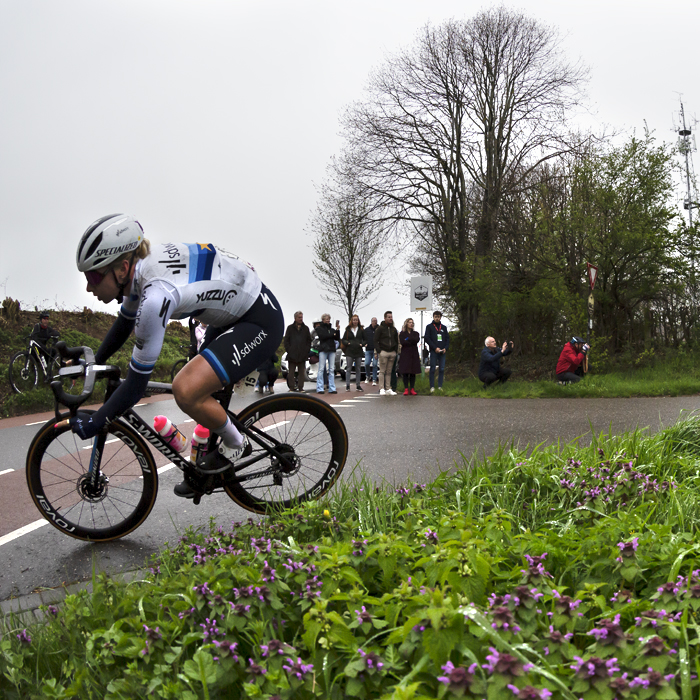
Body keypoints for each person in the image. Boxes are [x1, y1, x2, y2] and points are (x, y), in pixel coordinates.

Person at [71, 213, 284, 499]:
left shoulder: (155, 294)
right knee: (201, 384)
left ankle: (237, 444)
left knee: (187, 390)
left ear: (122, 268)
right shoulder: (139, 271)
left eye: (94, 276)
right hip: (230, 312)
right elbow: (124, 324)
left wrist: (98, 421)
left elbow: (135, 385)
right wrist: (95, 361)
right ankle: (207, 465)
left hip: (258, 320)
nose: (88, 286)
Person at [283, 311, 312, 392]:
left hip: (302, 354)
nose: (301, 319)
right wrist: (289, 350)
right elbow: (286, 341)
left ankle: (300, 387)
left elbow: (308, 341)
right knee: (291, 372)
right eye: (299, 317)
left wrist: (306, 350)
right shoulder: (290, 328)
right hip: (292, 354)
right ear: (295, 318)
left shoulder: (306, 328)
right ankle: (291, 387)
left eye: (302, 317)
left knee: (301, 373)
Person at [374, 310, 399, 396]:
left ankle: (388, 388)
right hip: (383, 351)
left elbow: (396, 340)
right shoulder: (380, 328)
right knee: (382, 371)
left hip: (392, 352)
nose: (390, 318)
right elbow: (375, 340)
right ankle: (381, 388)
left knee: (389, 371)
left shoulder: (394, 329)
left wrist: (395, 350)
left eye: (391, 317)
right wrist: (379, 351)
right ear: (385, 318)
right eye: (389, 317)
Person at [424, 311, 449, 393]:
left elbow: (447, 339)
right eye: (435, 316)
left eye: (438, 316)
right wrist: (435, 348)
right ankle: (432, 387)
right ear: (433, 317)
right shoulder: (429, 327)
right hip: (434, 351)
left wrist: (445, 348)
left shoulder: (444, 327)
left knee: (441, 369)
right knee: (432, 368)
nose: (437, 318)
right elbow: (427, 338)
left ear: (440, 317)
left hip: (442, 352)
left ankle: (440, 386)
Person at [315, 313, 339, 394]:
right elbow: (323, 337)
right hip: (323, 350)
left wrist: (337, 330)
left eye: (329, 319)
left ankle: (332, 388)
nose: (328, 320)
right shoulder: (319, 329)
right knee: (321, 369)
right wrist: (332, 334)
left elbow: (337, 338)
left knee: (331, 369)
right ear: (323, 320)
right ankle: (320, 388)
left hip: (331, 349)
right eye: (326, 319)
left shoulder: (332, 329)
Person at [341, 314, 366, 391]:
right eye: (354, 320)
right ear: (352, 321)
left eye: (356, 320)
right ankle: (347, 385)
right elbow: (343, 339)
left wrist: (362, 344)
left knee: (358, 368)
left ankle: (358, 385)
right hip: (350, 351)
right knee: (349, 368)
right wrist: (348, 343)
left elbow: (365, 339)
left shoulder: (361, 329)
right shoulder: (348, 330)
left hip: (358, 351)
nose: (355, 321)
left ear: (358, 321)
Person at [398, 318, 420, 395]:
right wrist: (409, 340)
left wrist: (408, 339)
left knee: (413, 372)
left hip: (413, 354)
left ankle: (412, 389)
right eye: (410, 322)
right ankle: (406, 388)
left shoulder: (416, 333)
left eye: (412, 322)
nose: (411, 324)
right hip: (405, 354)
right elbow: (403, 342)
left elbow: (416, 340)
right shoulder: (402, 333)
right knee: (405, 372)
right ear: (406, 324)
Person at [363, 316, 379, 386]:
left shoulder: (379, 329)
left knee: (375, 365)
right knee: (366, 363)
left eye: (376, 321)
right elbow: (363, 338)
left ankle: (374, 379)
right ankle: (368, 376)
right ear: (371, 322)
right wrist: (364, 343)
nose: (375, 322)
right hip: (368, 349)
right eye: (374, 321)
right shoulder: (366, 330)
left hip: (375, 350)